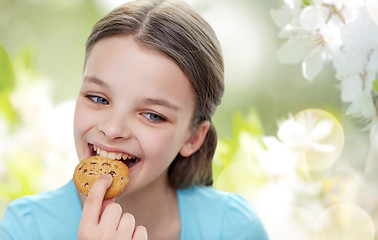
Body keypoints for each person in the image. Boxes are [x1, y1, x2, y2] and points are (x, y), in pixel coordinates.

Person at [0, 0, 269, 239]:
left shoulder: (233, 228)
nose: (112, 129)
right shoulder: (26, 228)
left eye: (152, 115)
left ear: (193, 137)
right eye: (98, 98)